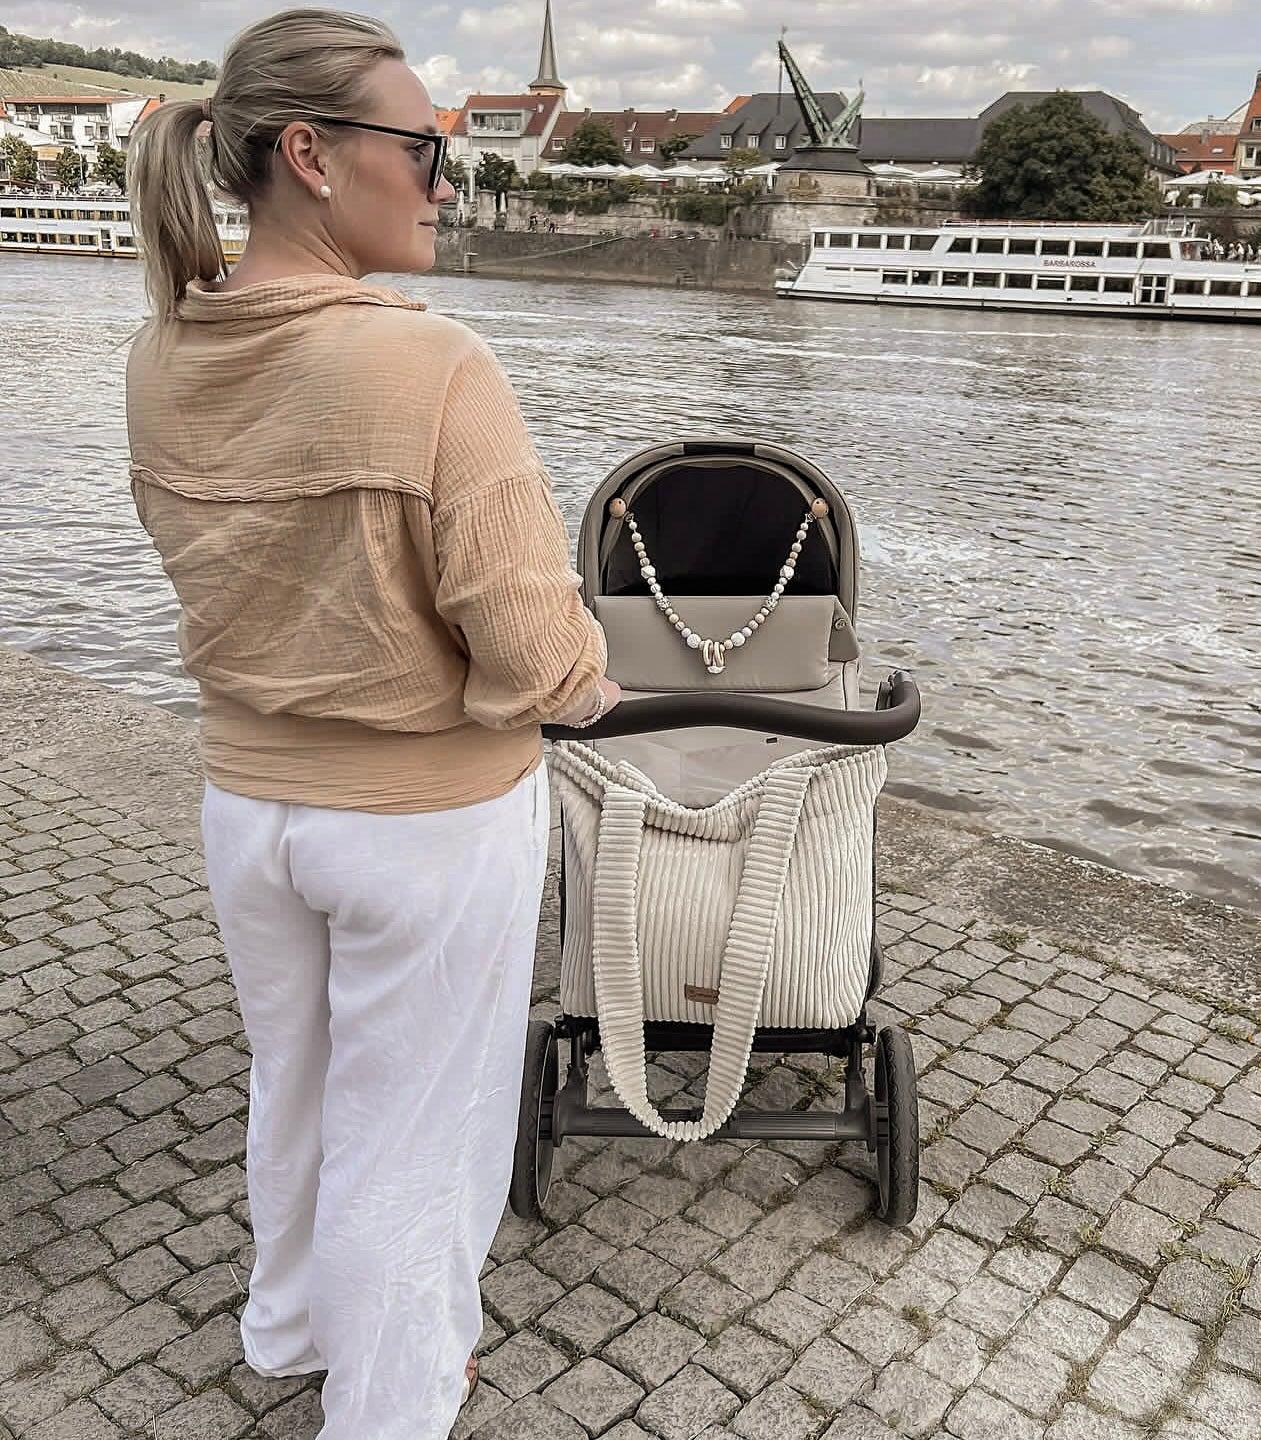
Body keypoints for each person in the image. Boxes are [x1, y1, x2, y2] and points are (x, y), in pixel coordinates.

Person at [123, 10, 616, 1439]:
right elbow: (528, 640)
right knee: (419, 1131)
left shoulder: (162, 354)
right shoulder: (431, 367)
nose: (443, 180)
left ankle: (288, 1328)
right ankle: (389, 1402)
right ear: (311, 154)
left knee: (297, 1083)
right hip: (423, 823)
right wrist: (591, 684)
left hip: (250, 808)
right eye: (427, 149)